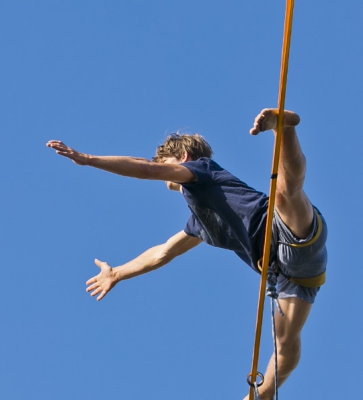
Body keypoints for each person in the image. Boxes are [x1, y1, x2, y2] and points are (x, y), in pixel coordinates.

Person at [47, 109, 327, 399]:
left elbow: (146, 169)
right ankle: (264, 394)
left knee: (285, 194)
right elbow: (163, 253)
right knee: (284, 341)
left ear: (182, 157)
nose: (162, 170)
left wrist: (88, 159)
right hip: (294, 273)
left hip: (286, 225)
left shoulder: (202, 170)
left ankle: (286, 128)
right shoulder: (199, 223)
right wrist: (117, 273)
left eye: (165, 162)